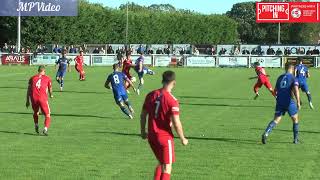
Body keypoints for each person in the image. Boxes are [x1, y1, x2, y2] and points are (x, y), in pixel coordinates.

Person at [140, 70, 188, 180]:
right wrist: (182, 138)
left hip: (152, 136)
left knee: (161, 163)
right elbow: (176, 122)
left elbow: (143, 115)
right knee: (167, 168)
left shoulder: (151, 95)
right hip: (164, 138)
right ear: (174, 82)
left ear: (162, 80)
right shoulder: (172, 100)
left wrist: (143, 131)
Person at [261, 62, 301, 144]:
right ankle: (295, 139)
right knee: (295, 119)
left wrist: (278, 98)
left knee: (276, 120)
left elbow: (275, 91)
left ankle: (266, 133)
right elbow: (296, 90)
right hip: (289, 101)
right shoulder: (293, 78)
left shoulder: (280, 77)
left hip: (280, 101)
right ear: (292, 69)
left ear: (285, 68)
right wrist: (298, 102)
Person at [26, 66, 53, 136]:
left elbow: (28, 90)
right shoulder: (47, 78)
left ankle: (36, 124)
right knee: (47, 114)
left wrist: (27, 100)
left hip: (34, 99)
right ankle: (45, 129)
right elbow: (50, 89)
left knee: (36, 112)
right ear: (44, 71)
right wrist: (51, 95)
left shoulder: (32, 78)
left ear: (38, 70)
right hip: (43, 99)